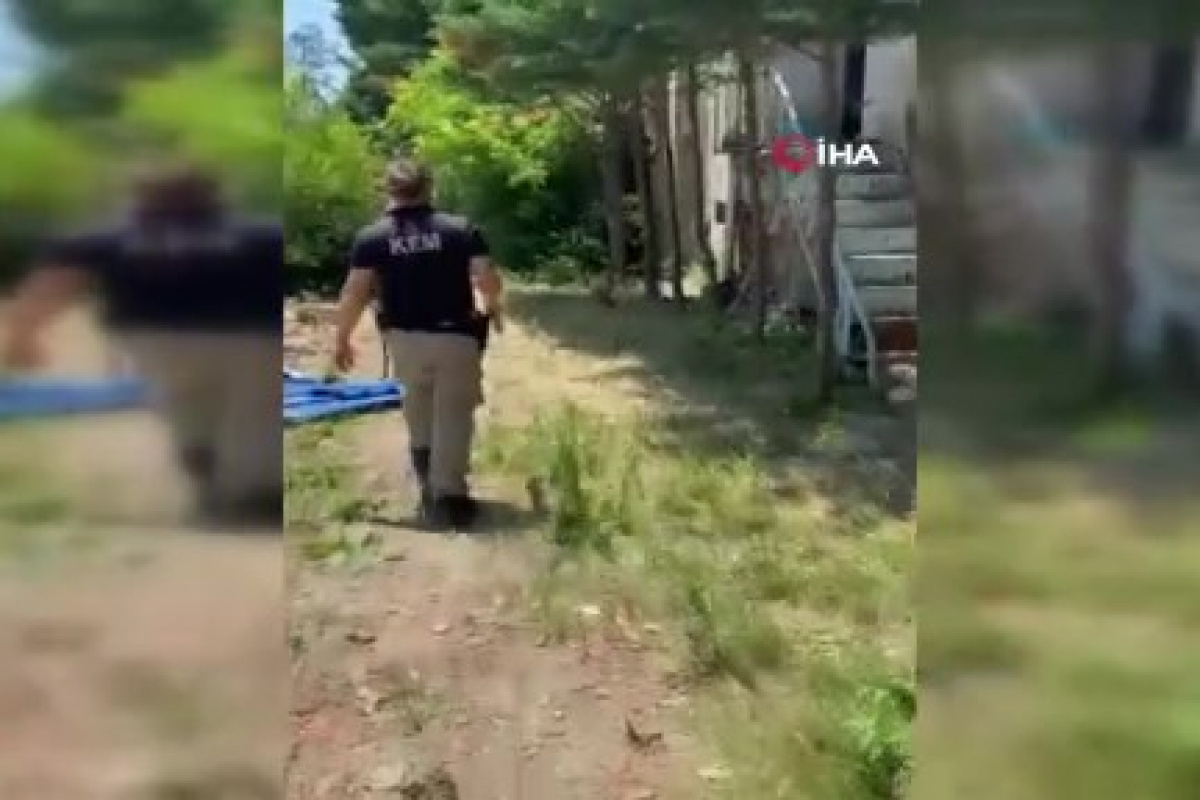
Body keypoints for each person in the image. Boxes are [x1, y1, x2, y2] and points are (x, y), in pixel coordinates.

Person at [0, 161, 283, 529]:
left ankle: (206, 472)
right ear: (216, 197)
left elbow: (52, 286)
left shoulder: (108, 237)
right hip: (253, 338)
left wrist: (22, 337)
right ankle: (253, 492)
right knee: (256, 415)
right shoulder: (261, 235)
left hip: (155, 340)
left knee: (186, 409)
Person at [333, 158, 504, 529]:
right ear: (429, 187)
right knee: (453, 415)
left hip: (404, 340)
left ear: (389, 190)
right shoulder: (460, 229)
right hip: (456, 336)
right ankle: (449, 497)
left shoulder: (372, 238)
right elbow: (485, 277)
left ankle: (428, 481)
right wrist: (492, 308)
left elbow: (355, 293)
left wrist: (342, 339)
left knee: (418, 407)